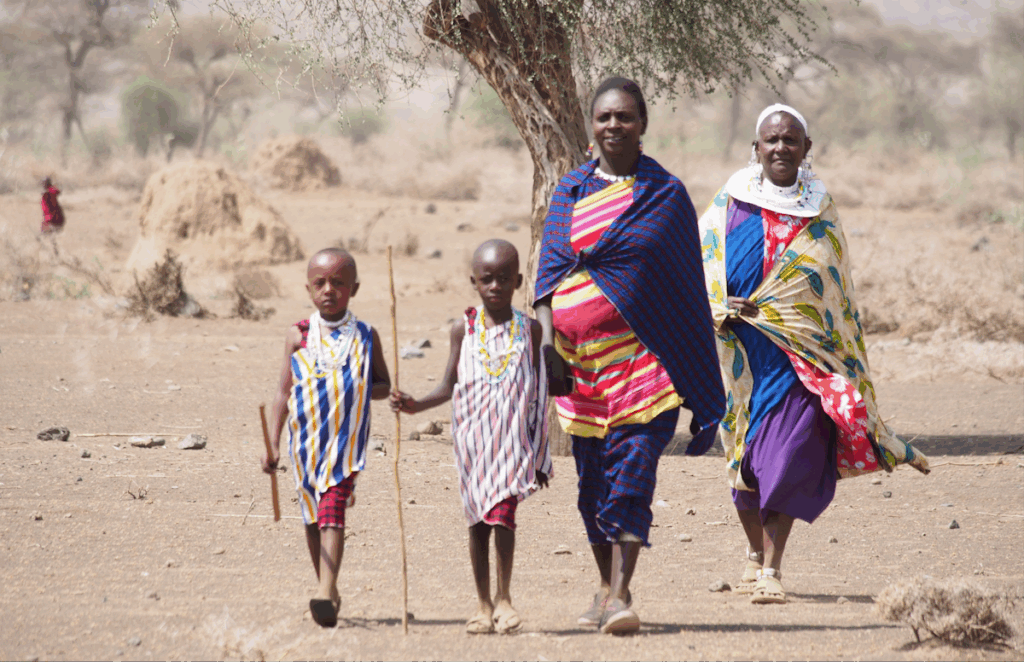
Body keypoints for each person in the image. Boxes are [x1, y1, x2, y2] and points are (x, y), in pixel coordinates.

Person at [697, 104, 930, 605]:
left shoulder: (821, 210)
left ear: (808, 149)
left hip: (804, 360)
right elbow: (701, 267)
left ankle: (772, 570)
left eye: (790, 140)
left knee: (790, 453)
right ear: (755, 148)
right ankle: (754, 554)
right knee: (745, 459)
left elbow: (835, 291)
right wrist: (719, 305)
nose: (780, 147)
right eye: (771, 140)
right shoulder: (727, 204)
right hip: (742, 357)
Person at [534, 77, 725, 635]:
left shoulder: (665, 197)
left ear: (643, 125)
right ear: (591, 127)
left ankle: (620, 596)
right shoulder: (569, 191)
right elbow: (547, 279)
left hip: (646, 366)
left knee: (633, 474)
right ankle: (605, 586)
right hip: (580, 367)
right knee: (591, 484)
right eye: (604, 118)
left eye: (624, 117)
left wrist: (692, 367)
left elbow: (687, 292)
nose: (613, 126)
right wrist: (547, 344)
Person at [390, 239, 551, 635]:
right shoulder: (463, 329)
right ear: (473, 282)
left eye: (503, 279)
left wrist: (541, 457)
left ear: (517, 281)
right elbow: (449, 384)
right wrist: (415, 406)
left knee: (505, 519)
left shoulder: (529, 331)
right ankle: (481, 605)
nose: (494, 286)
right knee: (477, 524)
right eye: (486, 279)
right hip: (473, 445)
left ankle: (506, 599)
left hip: (512, 445)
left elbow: (539, 395)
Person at [262, 247, 391, 627]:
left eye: (338, 282)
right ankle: (328, 589)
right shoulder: (298, 335)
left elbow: (382, 384)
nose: (329, 290)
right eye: (320, 283)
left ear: (354, 288)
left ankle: (323, 590)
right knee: (312, 516)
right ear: (308, 288)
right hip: (305, 445)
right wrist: (271, 443)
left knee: (332, 508)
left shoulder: (366, 336)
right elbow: (283, 394)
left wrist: (371, 386)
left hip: (345, 446)